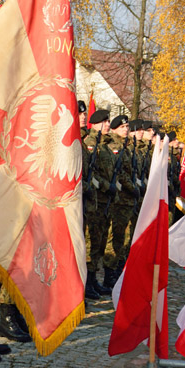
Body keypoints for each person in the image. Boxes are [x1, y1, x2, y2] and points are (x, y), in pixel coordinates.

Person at [82, 109, 114, 298]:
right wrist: (103, 185)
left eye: (108, 121)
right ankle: (86, 283)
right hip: (92, 200)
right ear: (96, 124)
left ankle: (93, 280)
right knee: (89, 243)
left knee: (98, 242)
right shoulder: (90, 144)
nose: (107, 124)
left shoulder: (104, 144)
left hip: (102, 201)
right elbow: (91, 174)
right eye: (104, 121)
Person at [102, 115, 136, 287]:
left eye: (127, 127)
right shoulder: (113, 146)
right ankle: (109, 275)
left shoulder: (127, 147)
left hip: (127, 200)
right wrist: (132, 187)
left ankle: (117, 271)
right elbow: (120, 173)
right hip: (118, 199)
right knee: (113, 238)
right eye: (122, 127)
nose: (126, 129)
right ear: (115, 129)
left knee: (124, 237)